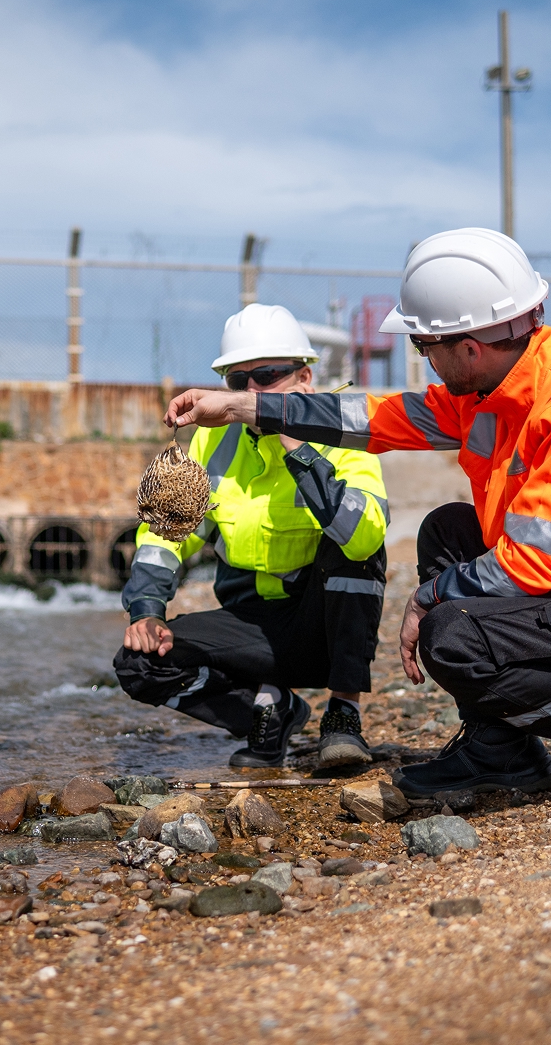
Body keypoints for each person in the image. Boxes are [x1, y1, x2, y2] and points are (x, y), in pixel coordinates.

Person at [165, 228, 551, 809]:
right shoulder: (498, 388)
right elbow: (373, 417)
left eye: (425, 346)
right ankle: (501, 749)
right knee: (448, 532)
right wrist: (240, 405)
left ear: (469, 348)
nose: (424, 359)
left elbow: (529, 564)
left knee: (453, 637)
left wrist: (427, 598)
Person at [113, 303, 389, 768]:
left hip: (323, 627)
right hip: (251, 625)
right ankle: (268, 712)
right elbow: (168, 532)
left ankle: (344, 713)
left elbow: (365, 536)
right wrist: (146, 609)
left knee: (353, 539)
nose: (252, 392)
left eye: (267, 376)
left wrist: (299, 448)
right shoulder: (212, 438)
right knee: (138, 663)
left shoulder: (343, 435)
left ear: (305, 378)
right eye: (239, 382)